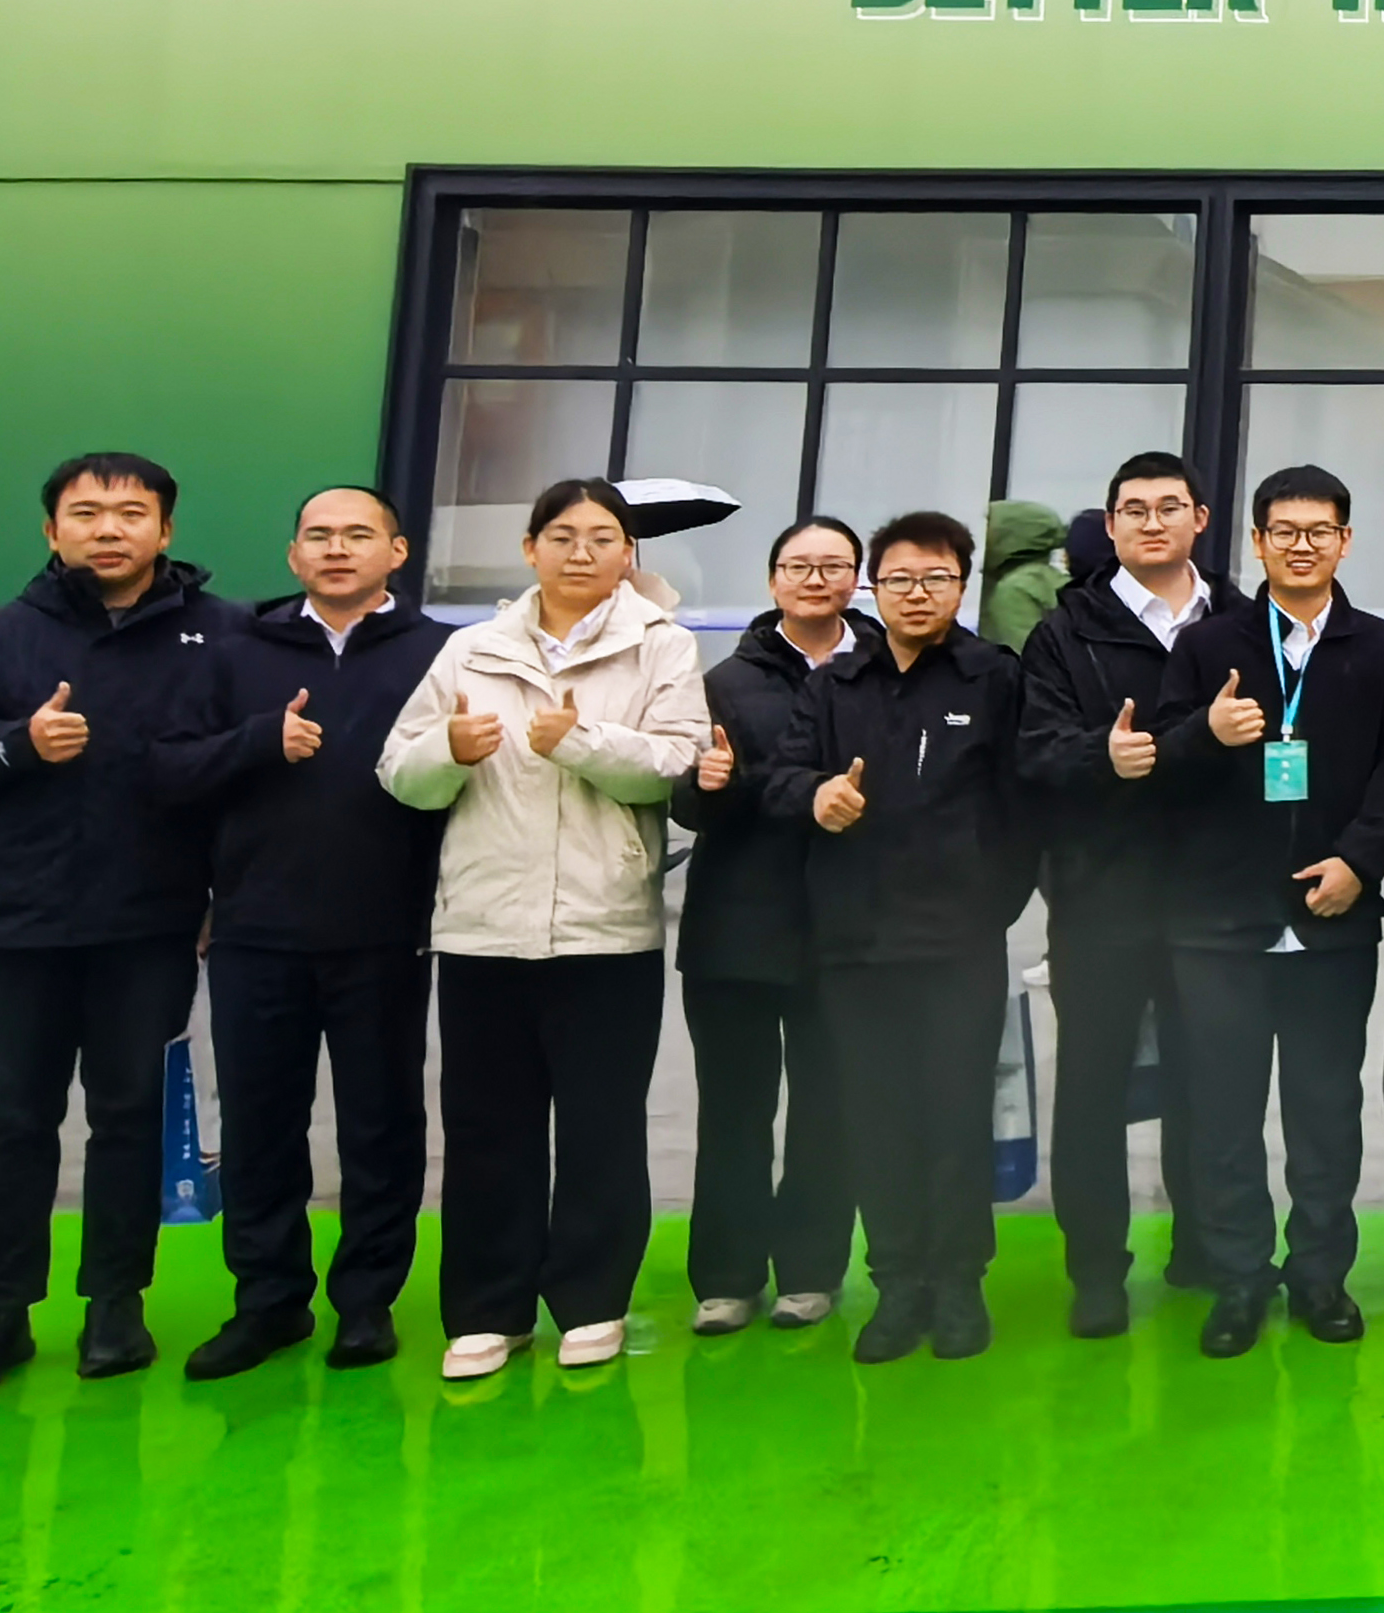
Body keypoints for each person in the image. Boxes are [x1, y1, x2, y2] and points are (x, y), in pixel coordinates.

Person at [379, 478, 707, 1380]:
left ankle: (593, 1301)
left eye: (602, 536)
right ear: (530, 548)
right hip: (484, 926)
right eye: (561, 534)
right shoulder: (471, 648)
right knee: (487, 1126)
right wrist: (448, 752)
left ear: (627, 553)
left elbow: (676, 764)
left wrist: (580, 740)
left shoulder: (662, 644)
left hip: (607, 928)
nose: (581, 551)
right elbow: (399, 770)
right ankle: (490, 1310)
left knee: (603, 1125)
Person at [142, 487, 455, 1379]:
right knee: (260, 1124)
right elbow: (166, 769)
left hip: (388, 928)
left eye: (358, 534)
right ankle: (269, 1300)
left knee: (381, 1123)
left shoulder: (445, 651)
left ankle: (366, 1301)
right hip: (254, 928)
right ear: (293, 555)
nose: (337, 548)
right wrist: (257, 740)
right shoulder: (236, 649)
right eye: (318, 535)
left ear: (397, 550)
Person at [0, 453, 241, 1399]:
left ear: (165, 528)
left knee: (129, 1115)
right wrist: (17, 744)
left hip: (150, 922)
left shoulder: (221, 634)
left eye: (130, 512)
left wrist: (222, 892)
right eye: (85, 513)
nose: (108, 529)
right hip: (15, 922)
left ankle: (116, 1303)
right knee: (5, 1119)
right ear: (52, 531)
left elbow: (241, 772)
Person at [1155, 465, 1384, 1354]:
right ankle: (1238, 1278)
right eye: (1284, 530)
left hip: (1331, 917)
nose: (1301, 544)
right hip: (1217, 923)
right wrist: (1206, 732)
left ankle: (1319, 1276)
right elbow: (1161, 764)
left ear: (1344, 540)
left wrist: (1359, 863)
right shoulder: (1207, 644)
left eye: (1318, 530)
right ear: (1257, 541)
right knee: (1223, 1112)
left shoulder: (1379, 647)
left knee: (1324, 1110)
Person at [758, 512, 1032, 1361]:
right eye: (902, 579)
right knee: (876, 1118)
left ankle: (958, 1284)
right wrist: (816, 796)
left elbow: (1025, 802)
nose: (918, 594)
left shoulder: (995, 677)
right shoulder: (836, 684)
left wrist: (992, 901)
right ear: (874, 588)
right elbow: (781, 777)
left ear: (962, 585)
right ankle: (897, 1282)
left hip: (960, 943)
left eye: (937, 578)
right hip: (856, 941)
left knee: (955, 1113)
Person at [1014, 452, 1219, 1337]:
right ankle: (1096, 1268)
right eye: (1133, 509)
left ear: (1199, 518)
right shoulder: (1067, 632)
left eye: (1169, 506)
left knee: (1210, 1078)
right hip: (1100, 894)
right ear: (1110, 524)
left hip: (1212, 894)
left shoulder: (1237, 620)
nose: (1151, 522)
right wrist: (1103, 754)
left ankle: (1206, 1244)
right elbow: (1031, 751)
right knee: (1091, 1086)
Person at [671, 516, 867, 1340]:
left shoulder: (883, 670)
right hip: (737, 928)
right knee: (734, 1111)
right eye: (798, 565)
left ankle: (811, 1270)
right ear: (773, 578)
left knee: (831, 1108)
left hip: (848, 928)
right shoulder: (724, 680)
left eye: (833, 565)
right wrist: (707, 782)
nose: (815, 578)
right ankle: (725, 1277)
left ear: (856, 578)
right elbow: (684, 803)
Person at [977, 499, 1071, 656]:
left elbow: (1026, 657)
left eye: (989, 529)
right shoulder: (1052, 579)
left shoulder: (1015, 589)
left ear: (1008, 535)